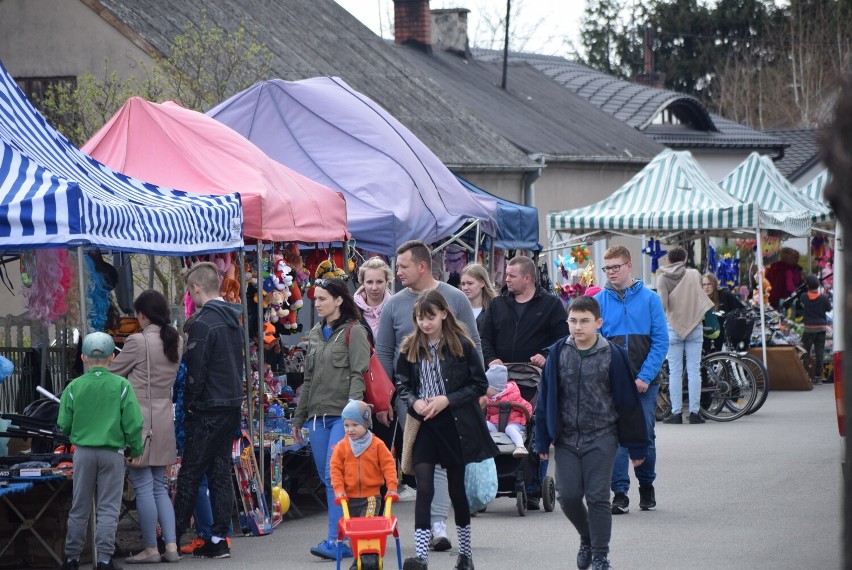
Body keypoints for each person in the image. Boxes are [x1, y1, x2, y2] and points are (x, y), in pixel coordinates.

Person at [376, 240, 482, 551]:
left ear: (422, 266)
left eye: (403, 266)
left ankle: (444, 529)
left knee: (445, 472)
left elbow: (472, 344)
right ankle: (431, 533)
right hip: (412, 402)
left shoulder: (456, 298)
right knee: (423, 468)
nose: (398, 272)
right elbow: (384, 352)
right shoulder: (393, 305)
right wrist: (386, 397)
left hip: (452, 404)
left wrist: (478, 393)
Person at [536, 296, 648, 570]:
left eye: (585, 321)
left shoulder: (613, 354)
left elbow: (628, 402)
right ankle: (587, 536)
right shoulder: (558, 353)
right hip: (566, 438)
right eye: (573, 321)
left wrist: (637, 447)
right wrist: (541, 439)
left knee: (598, 496)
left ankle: (600, 556)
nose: (578, 327)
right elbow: (545, 399)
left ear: (598, 323)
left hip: (602, 435)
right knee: (568, 496)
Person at [394, 289, 498, 570]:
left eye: (430, 317)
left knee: (456, 490)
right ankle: (421, 557)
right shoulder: (409, 346)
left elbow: (478, 384)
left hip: (455, 423)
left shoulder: (461, 344)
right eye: (420, 318)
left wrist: (446, 400)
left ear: (443, 314)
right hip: (425, 423)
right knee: (424, 486)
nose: (425, 323)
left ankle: (465, 554)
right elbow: (402, 385)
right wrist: (415, 403)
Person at [478, 254, 568, 509]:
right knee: (492, 422)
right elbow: (484, 337)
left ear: (527, 278)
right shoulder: (497, 304)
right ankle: (492, 478)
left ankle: (532, 487)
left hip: (533, 378)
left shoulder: (550, 304)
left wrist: (547, 353)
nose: (505, 279)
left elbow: (563, 338)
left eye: (511, 275)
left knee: (534, 426)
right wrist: (491, 358)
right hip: (500, 378)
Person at [293, 277, 371, 560]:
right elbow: (308, 379)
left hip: (342, 416)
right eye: (316, 298)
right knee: (330, 480)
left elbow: (358, 374)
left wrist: (353, 416)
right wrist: (298, 419)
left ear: (339, 300)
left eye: (323, 298)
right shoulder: (314, 333)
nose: (318, 302)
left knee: (332, 474)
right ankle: (348, 535)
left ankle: (337, 540)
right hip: (316, 417)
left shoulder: (354, 331)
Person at [174, 261, 244, 559]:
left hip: (207, 409)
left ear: (196, 288)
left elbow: (196, 373)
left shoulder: (203, 323)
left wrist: (187, 405)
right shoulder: (233, 319)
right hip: (230, 405)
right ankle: (219, 538)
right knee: (219, 474)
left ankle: (171, 540)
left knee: (190, 475)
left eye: (190, 291)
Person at [59, 332, 144, 570]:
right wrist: (135, 448)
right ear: (112, 358)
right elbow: (134, 423)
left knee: (80, 506)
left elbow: (64, 423)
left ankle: (72, 559)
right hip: (113, 453)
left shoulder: (74, 387)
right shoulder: (122, 386)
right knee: (108, 508)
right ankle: (104, 560)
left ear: (84, 357)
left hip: (83, 452)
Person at [109, 290, 183, 564]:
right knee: (159, 486)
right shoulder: (177, 339)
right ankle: (171, 547)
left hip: (138, 419)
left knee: (142, 486)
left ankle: (151, 548)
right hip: (164, 416)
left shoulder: (136, 342)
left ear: (142, 314)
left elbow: (113, 374)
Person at [594, 245, 667, 515]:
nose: (611, 272)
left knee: (644, 435)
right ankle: (620, 493)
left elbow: (661, 341)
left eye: (615, 267)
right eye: (607, 268)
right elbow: (593, 341)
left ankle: (646, 485)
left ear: (629, 266)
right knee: (615, 437)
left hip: (645, 381)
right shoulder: (600, 300)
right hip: (612, 382)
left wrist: (645, 376)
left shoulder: (650, 299)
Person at [330, 400, 400, 570]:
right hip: (349, 499)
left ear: (366, 424)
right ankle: (357, 558)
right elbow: (335, 470)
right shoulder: (342, 447)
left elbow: (389, 466)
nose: (350, 429)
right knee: (354, 533)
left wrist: (391, 487)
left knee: (367, 530)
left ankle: (370, 556)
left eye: (355, 424)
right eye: (346, 425)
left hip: (371, 497)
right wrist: (339, 491)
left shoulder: (377, 445)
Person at [656, 246, 713, 425]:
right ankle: (695, 413)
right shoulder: (694, 274)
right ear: (685, 260)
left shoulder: (663, 278)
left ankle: (676, 413)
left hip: (673, 328)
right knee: (694, 370)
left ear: (668, 260)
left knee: (675, 372)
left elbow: (662, 305)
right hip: (695, 326)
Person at [481, 364, 532, 457]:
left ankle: (520, 447)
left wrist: (523, 422)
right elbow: (488, 413)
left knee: (510, 429)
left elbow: (527, 407)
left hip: (513, 423)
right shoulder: (489, 398)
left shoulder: (513, 396)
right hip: (496, 426)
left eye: (485, 387)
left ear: (495, 388)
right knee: (484, 424)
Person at [800, 274, 832, 385]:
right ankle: (818, 377)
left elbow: (800, 306)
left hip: (808, 329)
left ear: (807, 285)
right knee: (819, 353)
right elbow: (829, 308)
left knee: (805, 352)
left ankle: (804, 375)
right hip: (820, 329)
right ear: (818, 285)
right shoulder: (823, 298)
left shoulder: (804, 297)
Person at [702, 273, 745, 353]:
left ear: (714, 284)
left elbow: (741, 309)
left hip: (724, 335)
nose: (706, 287)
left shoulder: (724, 294)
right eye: (704, 285)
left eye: (709, 284)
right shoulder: (700, 298)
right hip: (707, 337)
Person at [354, 256, 393, 339]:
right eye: (369, 282)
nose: (374, 287)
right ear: (362, 282)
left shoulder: (395, 308)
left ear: (386, 282)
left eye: (379, 282)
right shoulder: (351, 311)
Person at [459, 262, 497, 327]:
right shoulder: (457, 309)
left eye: (470, 283)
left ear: (482, 283)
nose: (465, 288)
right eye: (463, 284)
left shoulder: (495, 309)